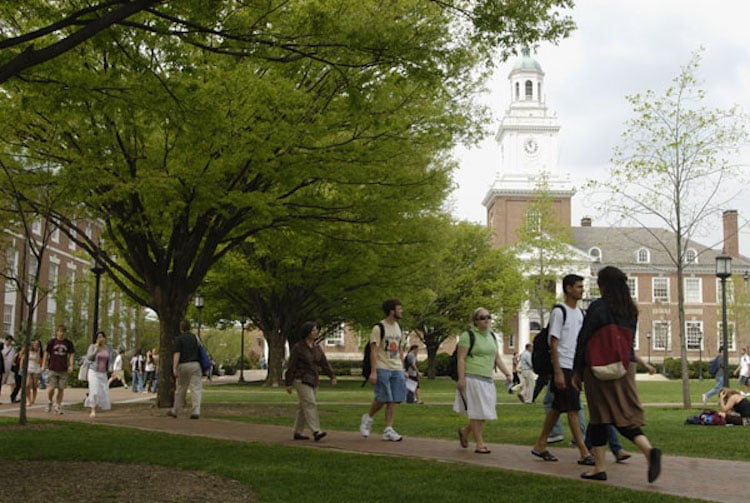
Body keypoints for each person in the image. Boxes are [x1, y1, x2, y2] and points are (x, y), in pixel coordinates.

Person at [573, 265, 661, 483]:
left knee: (599, 416)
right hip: (625, 366)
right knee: (624, 415)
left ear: (603, 285)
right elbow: (628, 342)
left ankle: (599, 468)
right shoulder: (630, 310)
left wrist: (577, 370)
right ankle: (648, 450)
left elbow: (584, 339)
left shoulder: (598, 307)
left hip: (598, 367)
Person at [531, 274, 592, 465]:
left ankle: (540, 445)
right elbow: (553, 343)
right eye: (578, 287)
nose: (582, 290)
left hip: (573, 367)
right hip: (563, 366)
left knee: (557, 407)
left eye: (582, 286)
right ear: (568, 289)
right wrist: (557, 371)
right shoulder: (559, 311)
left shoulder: (581, 314)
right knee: (573, 408)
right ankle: (584, 452)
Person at [455, 307, 513, 454]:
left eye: (488, 316)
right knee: (476, 412)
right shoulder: (467, 336)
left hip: (487, 379)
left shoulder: (492, 336)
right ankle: (479, 444)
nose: (486, 319)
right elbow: (461, 358)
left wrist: (507, 373)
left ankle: (465, 431)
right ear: (475, 321)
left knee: (485, 412)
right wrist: (461, 378)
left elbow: (497, 357)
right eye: (482, 317)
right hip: (472, 377)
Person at [359, 298, 407, 441]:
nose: (401, 311)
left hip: (396, 367)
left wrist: (403, 368)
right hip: (382, 367)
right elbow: (373, 351)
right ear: (392, 311)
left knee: (393, 400)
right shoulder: (379, 328)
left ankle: (388, 429)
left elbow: (400, 350)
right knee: (383, 398)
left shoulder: (400, 328)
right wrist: (373, 372)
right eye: (399, 308)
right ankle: (368, 418)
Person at [285, 322, 337, 441]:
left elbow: (324, 363)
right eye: (313, 330)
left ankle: (297, 432)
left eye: (316, 330)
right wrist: (288, 383)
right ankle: (316, 431)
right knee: (310, 403)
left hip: (313, 379)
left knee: (304, 407)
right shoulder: (298, 348)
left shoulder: (317, 347)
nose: (316, 332)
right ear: (307, 332)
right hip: (301, 379)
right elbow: (291, 366)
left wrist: (332, 376)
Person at [168, 319, 202, 419]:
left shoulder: (179, 339)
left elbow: (177, 354)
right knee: (196, 389)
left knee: (180, 388)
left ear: (181, 328)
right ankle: (196, 411)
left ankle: (175, 410)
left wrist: (174, 367)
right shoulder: (195, 338)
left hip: (183, 365)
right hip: (195, 364)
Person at [41, 325, 75, 414]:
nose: (61, 333)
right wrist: (43, 365)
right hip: (53, 368)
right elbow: (46, 353)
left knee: (61, 388)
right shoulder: (51, 342)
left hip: (63, 369)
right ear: (56, 332)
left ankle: (58, 405)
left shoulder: (68, 343)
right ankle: (49, 401)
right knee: (51, 388)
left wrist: (71, 365)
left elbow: (71, 354)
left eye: (63, 332)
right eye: (59, 331)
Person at [84, 331, 114, 418]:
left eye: (102, 337)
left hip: (103, 372)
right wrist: (96, 349)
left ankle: (99, 405)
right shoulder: (92, 346)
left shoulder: (108, 348)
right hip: (93, 371)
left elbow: (110, 361)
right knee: (94, 391)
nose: (101, 339)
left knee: (104, 391)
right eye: (98, 337)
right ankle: (93, 410)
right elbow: (89, 358)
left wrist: (112, 370)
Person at [23, 339, 43, 406]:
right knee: (27, 385)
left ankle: (33, 399)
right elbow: (23, 358)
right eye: (35, 344)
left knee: (35, 385)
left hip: (36, 369)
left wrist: (38, 351)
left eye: (37, 344)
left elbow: (38, 361)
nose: (35, 345)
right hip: (28, 369)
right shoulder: (29, 351)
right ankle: (28, 399)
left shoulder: (40, 352)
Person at [1, 334, 16, 403]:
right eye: (8, 341)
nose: (9, 342)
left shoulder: (12, 349)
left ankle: (13, 398)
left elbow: (13, 358)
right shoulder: (1, 347)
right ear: (5, 340)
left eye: (10, 341)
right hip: (2, 368)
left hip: (10, 368)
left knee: (12, 383)